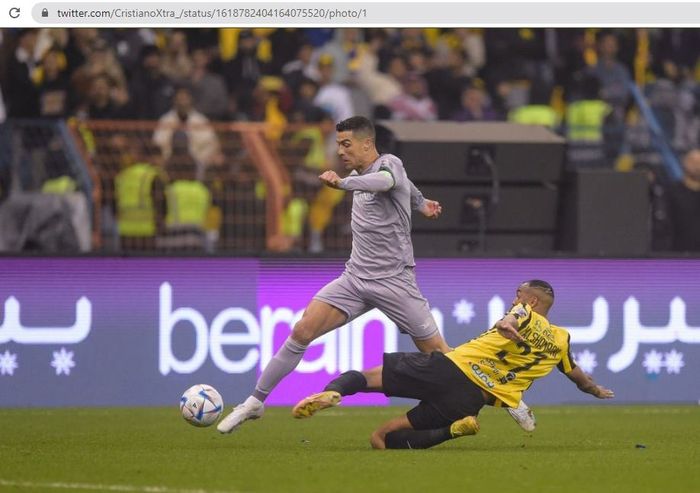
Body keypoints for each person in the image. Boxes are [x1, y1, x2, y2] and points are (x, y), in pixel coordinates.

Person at [217, 116, 448, 434]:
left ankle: (503, 396)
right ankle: (255, 403)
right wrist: (421, 204)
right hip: (354, 279)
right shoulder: (360, 173)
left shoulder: (387, 164)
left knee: (440, 355)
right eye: (338, 144)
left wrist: (342, 183)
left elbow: (389, 182)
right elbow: (404, 186)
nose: (340, 150)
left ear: (367, 143)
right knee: (301, 331)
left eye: (346, 143)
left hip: (394, 281)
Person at [292, 280, 615, 449]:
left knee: (363, 378)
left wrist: (507, 325)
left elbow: (510, 320)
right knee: (382, 439)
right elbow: (578, 378)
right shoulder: (561, 340)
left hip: (448, 368)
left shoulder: (523, 313)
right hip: (471, 400)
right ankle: (454, 430)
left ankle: (334, 392)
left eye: (518, 294)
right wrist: (596, 390)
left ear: (531, 301)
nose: (514, 299)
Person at [666, 149, 700, 251]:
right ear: (685, 164)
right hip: (678, 252)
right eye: (694, 162)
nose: (698, 167)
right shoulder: (671, 192)